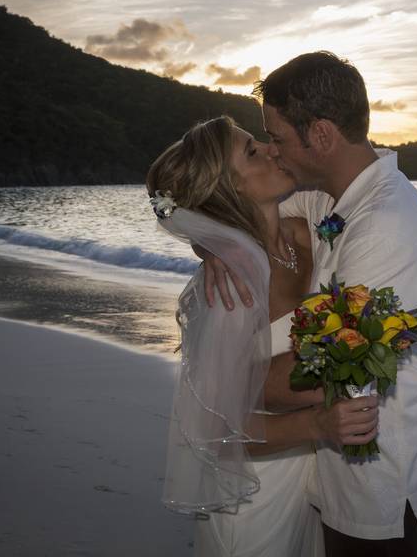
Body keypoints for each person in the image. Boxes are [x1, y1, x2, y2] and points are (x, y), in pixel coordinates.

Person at [201, 52, 417, 556]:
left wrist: (226, 387)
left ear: (320, 135)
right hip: (341, 475)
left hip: (387, 484)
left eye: (277, 138)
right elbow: (235, 204)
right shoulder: (331, 197)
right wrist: (209, 242)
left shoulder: (386, 224)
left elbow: (326, 372)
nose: (274, 153)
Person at [147, 115, 380, 557]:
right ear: (229, 189)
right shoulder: (229, 286)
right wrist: (315, 423)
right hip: (255, 497)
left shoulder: (305, 231)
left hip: (312, 480)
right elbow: (214, 429)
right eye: (253, 151)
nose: (273, 148)